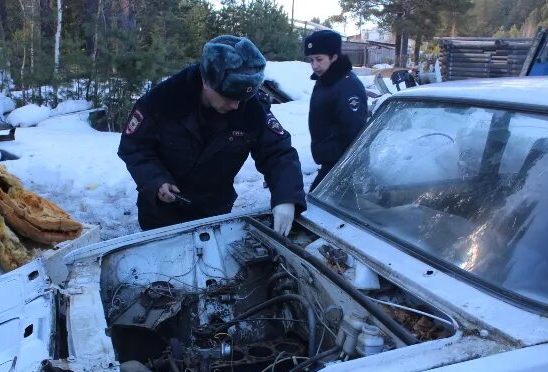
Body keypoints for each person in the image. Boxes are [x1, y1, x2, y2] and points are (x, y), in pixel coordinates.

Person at [118, 35, 306, 235]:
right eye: (229, 97)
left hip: (214, 211)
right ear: (206, 81)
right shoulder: (162, 101)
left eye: (242, 99)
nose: (236, 105)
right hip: (161, 215)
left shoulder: (251, 107)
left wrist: (286, 198)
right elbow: (134, 147)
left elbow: (278, 152)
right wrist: (156, 181)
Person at [305, 30, 368, 191]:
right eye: (311, 60)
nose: (314, 66)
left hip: (341, 165)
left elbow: (355, 130)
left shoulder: (347, 85)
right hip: (330, 161)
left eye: (319, 59)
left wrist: (347, 169)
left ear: (334, 57)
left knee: (316, 206)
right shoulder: (326, 80)